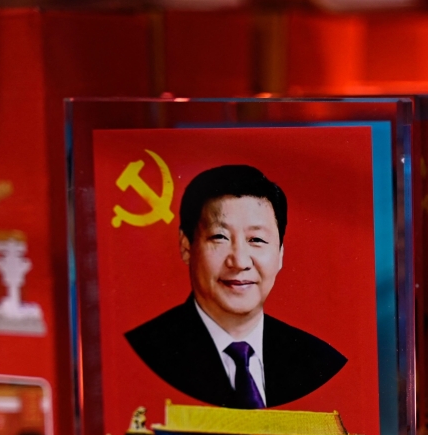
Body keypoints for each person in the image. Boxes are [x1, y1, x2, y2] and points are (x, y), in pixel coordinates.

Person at [126, 165, 347, 409]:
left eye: (257, 240)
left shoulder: (318, 362)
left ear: (281, 253)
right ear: (186, 246)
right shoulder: (143, 353)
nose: (240, 261)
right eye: (220, 237)